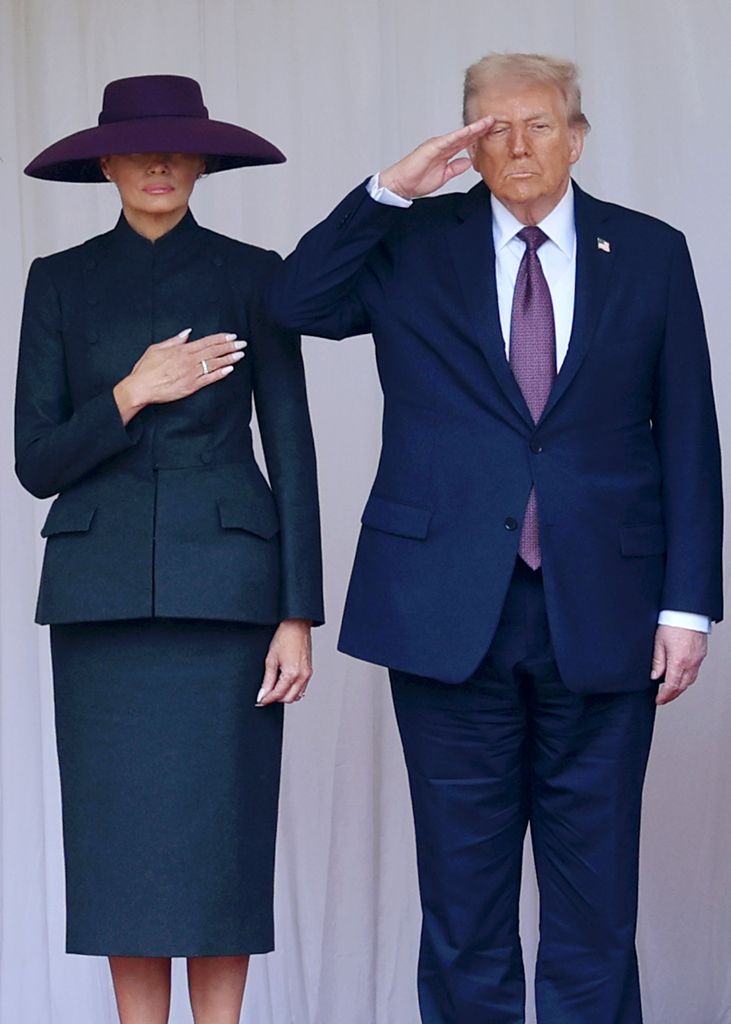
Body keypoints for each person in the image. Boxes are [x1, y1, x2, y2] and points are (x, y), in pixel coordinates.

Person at [266, 53, 723, 1024]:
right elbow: (293, 301)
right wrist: (389, 189)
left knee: (594, 906)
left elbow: (687, 433)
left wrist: (687, 604)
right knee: (463, 907)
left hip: (604, 608)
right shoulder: (408, 244)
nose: (517, 145)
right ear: (465, 140)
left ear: (577, 135)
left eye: (539, 124)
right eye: (492, 127)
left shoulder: (646, 252)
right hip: (440, 610)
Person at [16, 75, 323, 1024]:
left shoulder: (252, 274)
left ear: (201, 163)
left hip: (230, 603)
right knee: (123, 855)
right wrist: (130, 392)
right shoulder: (58, 280)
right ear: (106, 164)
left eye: (178, 150)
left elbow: (294, 449)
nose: (159, 165)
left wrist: (297, 613)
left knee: (221, 848)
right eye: (140, 151)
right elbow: (34, 462)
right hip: (100, 607)